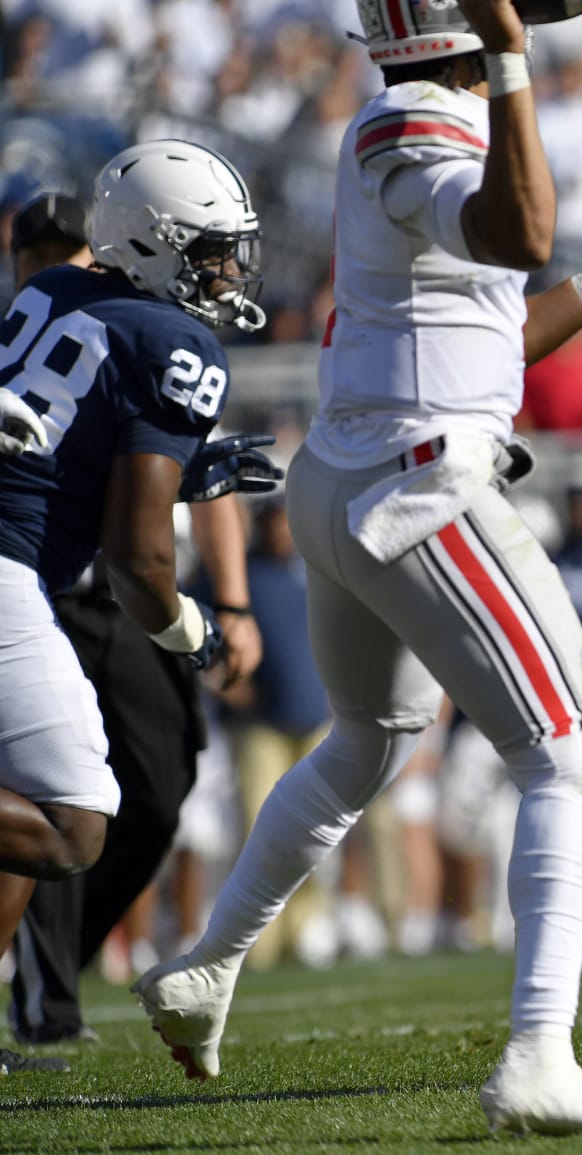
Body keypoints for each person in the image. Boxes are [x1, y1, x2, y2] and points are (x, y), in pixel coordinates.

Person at [131, 0, 582, 1135]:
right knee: (570, 756)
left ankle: (206, 967)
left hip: (359, 476)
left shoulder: (407, 117)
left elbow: (487, 328)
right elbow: (518, 234)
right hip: (418, 487)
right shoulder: (416, 120)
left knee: (366, 742)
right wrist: (512, 60)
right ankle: (541, 1053)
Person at [0, 141, 279, 1067]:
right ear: (155, 244)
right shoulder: (179, 344)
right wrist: (195, 630)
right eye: (209, 250)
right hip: (11, 572)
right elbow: (138, 560)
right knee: (75, 820)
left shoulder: (50, 294)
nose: (228, 270)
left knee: (30, 799)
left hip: (17, 562)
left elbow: (75, 422)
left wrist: (188, 465)